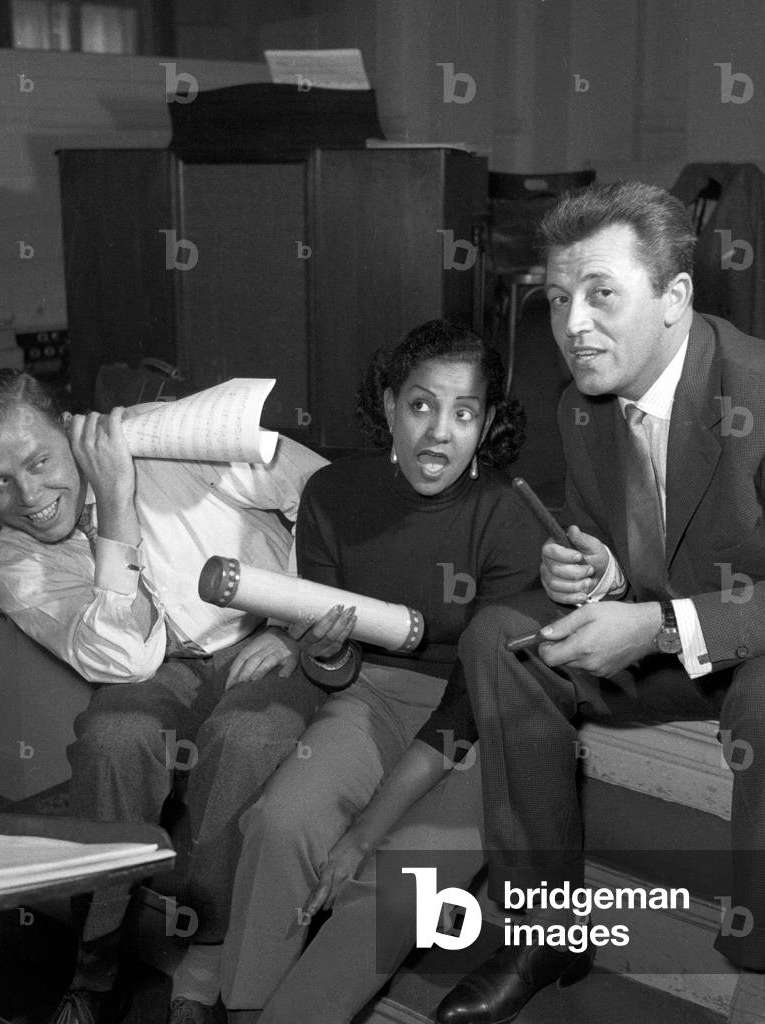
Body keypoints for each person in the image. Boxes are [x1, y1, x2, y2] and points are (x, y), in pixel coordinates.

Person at [434, 181, 765, 1024]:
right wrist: (597, 573)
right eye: (558, 298)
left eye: (601, 294)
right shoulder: (583, 406)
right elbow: (633, 539)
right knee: (502, 632)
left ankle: (764, 981)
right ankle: (545, 930)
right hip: (667, 633)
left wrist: (654, 623)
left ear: (675, 298)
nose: (573, 324)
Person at [0, 369, 331, 1024]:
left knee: (242, 737)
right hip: (157, 667)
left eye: (38, 461)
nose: (29, 495)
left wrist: (293, 617)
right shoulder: (17, 564)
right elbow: (123, 660)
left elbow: (323, 489)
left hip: (266, 638)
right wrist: (117, 510)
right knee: (111, 737)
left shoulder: (168, 440)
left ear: (70, 429)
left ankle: (208, 955)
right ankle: (95, 966)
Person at [212, 319, 548, 1023]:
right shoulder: (334, 494)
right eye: (422, 405)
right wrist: (327, 654)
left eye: (464, 413)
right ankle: (242, 1011)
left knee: (399, 884)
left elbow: (465, 707)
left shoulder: (511, 515)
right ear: (390, 403)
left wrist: (366, 830)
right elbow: (332, 669)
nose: (439, 433)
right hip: (371, 696)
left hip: (485, 721)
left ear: (486, 425)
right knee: (280, 822)